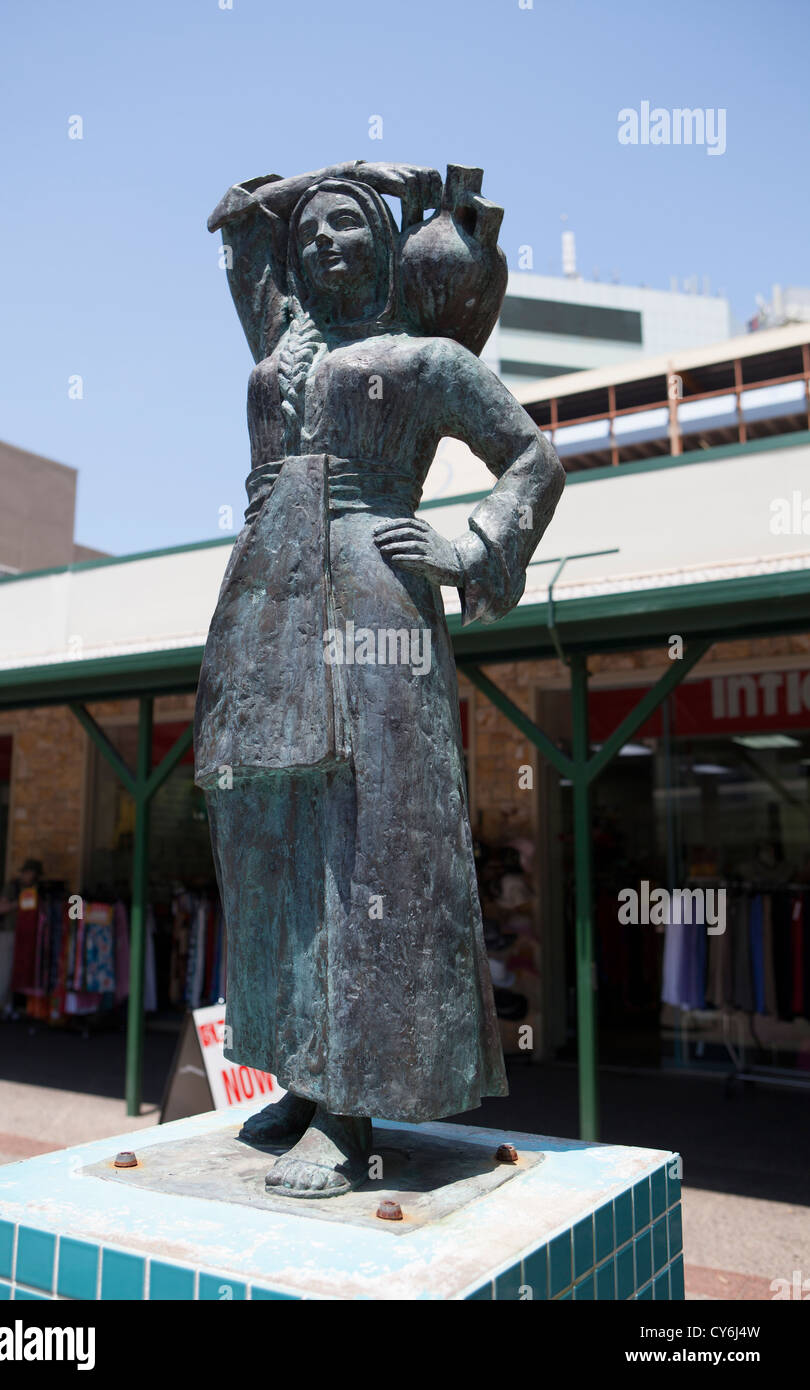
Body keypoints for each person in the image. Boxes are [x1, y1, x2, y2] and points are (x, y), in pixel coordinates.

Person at [194, 161, 564, 1196]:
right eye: (310, 230)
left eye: (348, 224)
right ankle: (302, 1077)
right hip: (263, 601)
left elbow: (532, 460)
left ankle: (352, 1108)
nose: (320, 241)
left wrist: (473, 548)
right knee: (269, 845)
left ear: (390, 248)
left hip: (369, 597)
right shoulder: (283, 345)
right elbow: (236, 211)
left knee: (364, 846)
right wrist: (347, 175)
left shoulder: (420, 357)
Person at [0, 857, 42, 1025]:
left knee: (14, 970)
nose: (31, 876)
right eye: (30, 873)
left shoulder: (35, 888)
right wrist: (19, 903)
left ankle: (8, 1006)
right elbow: (0, 909)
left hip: (25, 933)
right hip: (9, 931)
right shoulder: (13, 886)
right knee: (5, 969)